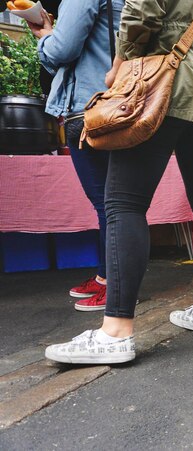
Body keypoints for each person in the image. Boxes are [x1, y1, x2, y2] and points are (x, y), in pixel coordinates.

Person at [44, 0, 193, 364]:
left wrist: (119, 67)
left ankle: (116, 332)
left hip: (164, 79)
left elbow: (142, 11)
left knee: (124, 203)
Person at [28, 0, 123, 312]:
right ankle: (108, 277)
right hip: (111, 103)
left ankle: (118, 287)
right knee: (111, 203)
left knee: (111, 205)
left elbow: (61, 51)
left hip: (89, 108)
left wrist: (45, 35)